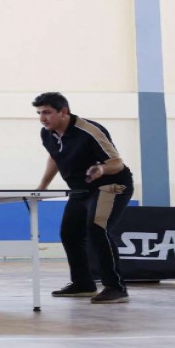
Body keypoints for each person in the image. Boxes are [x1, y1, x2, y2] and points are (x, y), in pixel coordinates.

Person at [33, 92, 134, 304]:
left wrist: (101, 169)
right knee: (69, 233)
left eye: (47, 112)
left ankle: (116, 287)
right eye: (39, 113)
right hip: (80, 189)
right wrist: (42, 186)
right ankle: (83, 284)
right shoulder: (47, 133)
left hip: (110, 185)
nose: (43, 118)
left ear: (63, 112)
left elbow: (117, 163)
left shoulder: (90, 131)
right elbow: (55, 157)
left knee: (97, 229)